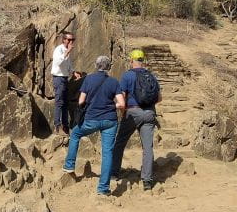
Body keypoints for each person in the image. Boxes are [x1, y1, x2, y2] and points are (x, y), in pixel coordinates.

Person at [62, 55, 125, 196]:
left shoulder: (89, 79)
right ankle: (103, 188)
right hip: (110, 120)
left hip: (92, 119)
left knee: (75, 134)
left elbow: (81, 101)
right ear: (109, 67)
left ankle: (69, 165)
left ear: (96, 65)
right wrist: (111, 106)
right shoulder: (114, 82)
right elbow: (121, 104)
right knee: (107, 153)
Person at [111, 49, 162, 191]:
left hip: (132, 112)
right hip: (149, 113)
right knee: (148, 148)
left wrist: (123, 113)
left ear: (131, 60)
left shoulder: (127, 76)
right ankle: (147, 181)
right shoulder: (151, 76)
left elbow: (122, 97)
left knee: (119, 143)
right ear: (143, 60)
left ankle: (114, 173)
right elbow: (159, 98)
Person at [51, 32, 81, 135]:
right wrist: (68, 51)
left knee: (65, 103)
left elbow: (68, 64)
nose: (71, 42)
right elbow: (58, 62)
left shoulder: (65, 51)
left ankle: (65, 126)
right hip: (58, 78)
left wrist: (73, 72)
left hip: (64, 78)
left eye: (73, 40)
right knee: (59, 102)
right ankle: (57, 126)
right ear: (64, 40)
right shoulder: (59, 50)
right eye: (69, 39)